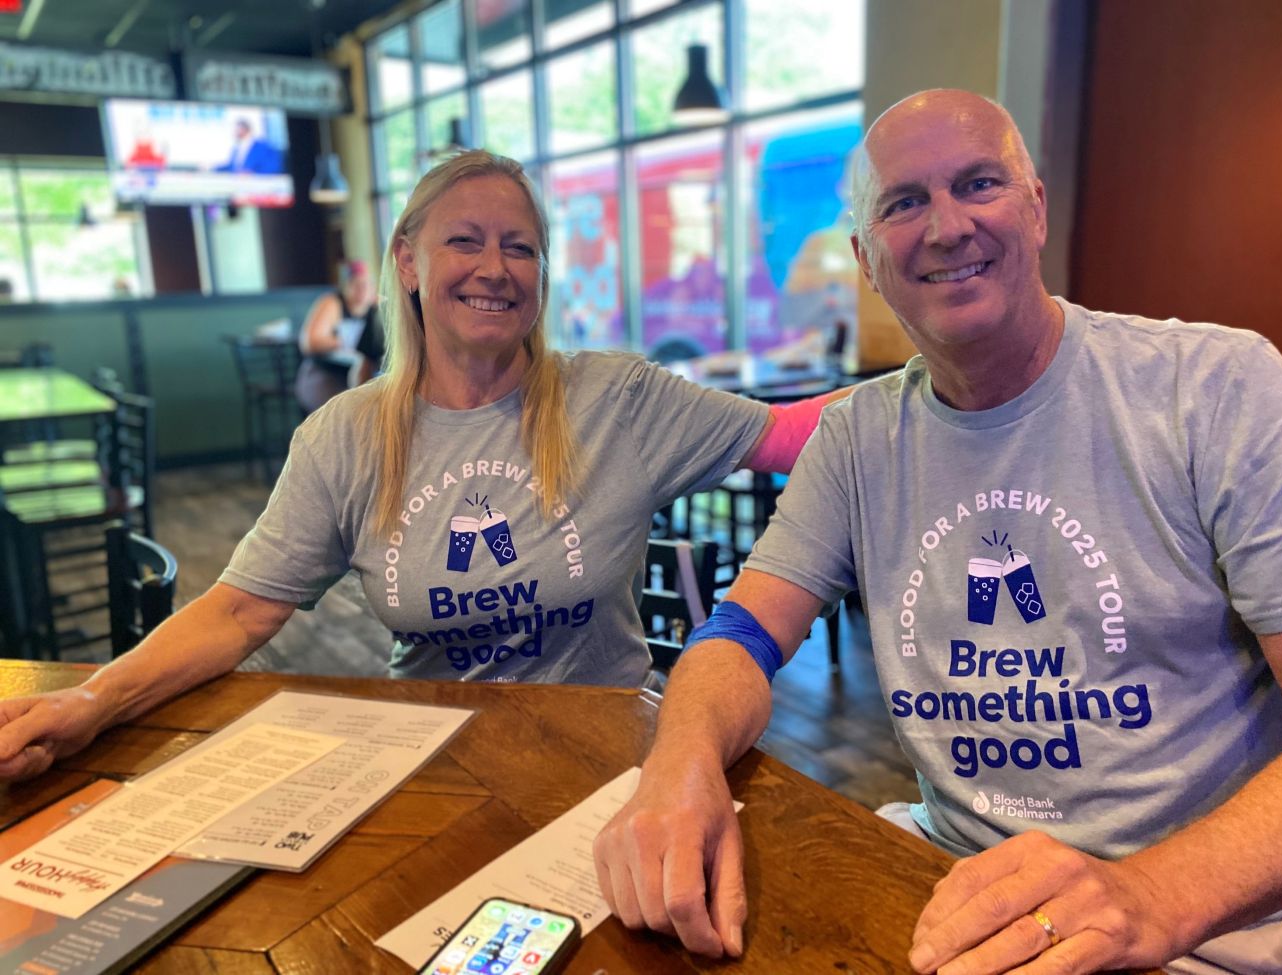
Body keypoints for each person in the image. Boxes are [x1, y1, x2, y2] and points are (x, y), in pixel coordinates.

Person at [593, 89, 1282, 975]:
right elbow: (739, 633)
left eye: (978, 183)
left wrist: (1148, 893)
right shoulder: (857, 437)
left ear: (1035, 208)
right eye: (904, 202)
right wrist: (679, 761)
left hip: (1210, 925)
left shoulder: (1216, 389)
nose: (947, 226)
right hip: (951, 886)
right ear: (866, 258)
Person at [0, 149, 850, 781]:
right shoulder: (345, 436)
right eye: (465, 241)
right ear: (408, 262)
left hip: (609, 756)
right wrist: (92, 700)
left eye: (520, 247)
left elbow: (789, 434)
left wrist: (924, 381)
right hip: (432, 762)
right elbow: (236, 612)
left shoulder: (615, 398)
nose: (495, 269)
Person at [294, 259, 384, 413]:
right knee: (345, 413)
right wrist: (343, 341)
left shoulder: (377, 306)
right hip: (325, 374)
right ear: (345, 286)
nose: (362, 289)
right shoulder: (332, 303)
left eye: (366, 284)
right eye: (356, 284)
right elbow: (309, 343)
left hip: (363, 374)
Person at [216, 118, 283, 175]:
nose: (233, 132)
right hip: (237, 184)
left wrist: (252, 173)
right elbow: (232, 167)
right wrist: (214, 169)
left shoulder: (263, 147)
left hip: (256, 184)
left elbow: (273, 167)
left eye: (236, 129)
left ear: (244, 129)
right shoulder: (236, 149)